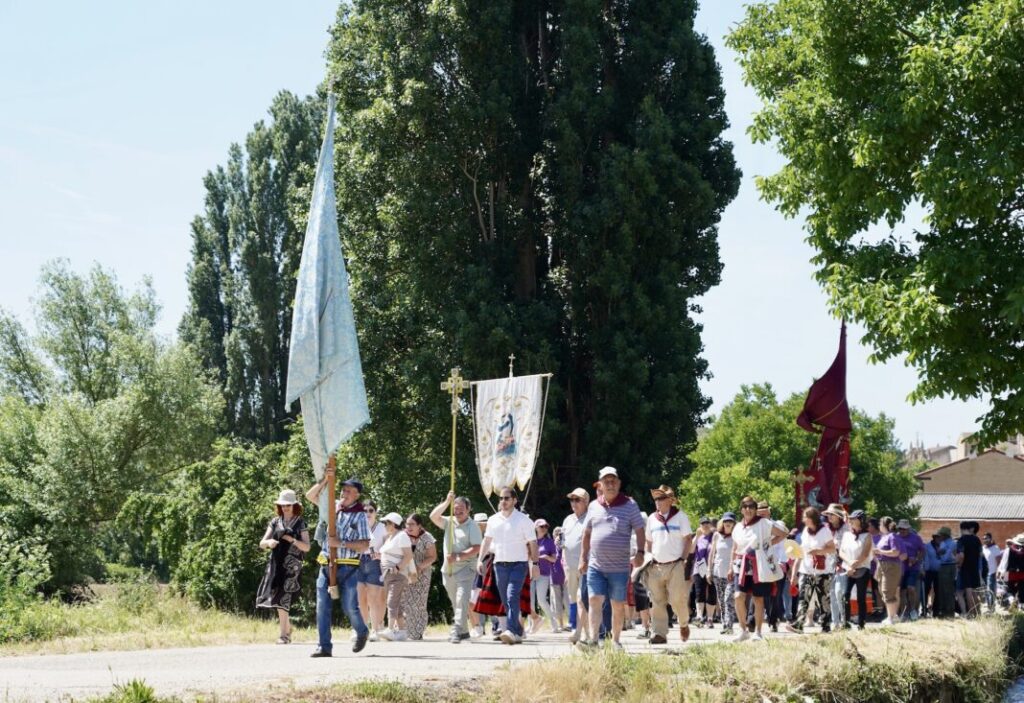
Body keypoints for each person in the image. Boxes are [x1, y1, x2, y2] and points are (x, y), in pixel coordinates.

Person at [579, 467, 646, 650]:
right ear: (600, 485)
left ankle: (615, 641)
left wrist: (640, 552)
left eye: (613, 481)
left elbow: (640, 529)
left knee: (617, 604)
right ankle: (593, 640)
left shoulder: (630, 504)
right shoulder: (593, 505)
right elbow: (586, 533)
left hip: (619, 567)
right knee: (594, 600)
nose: (610, 485)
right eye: (606, 481)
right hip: (596, 565)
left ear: (619, 484)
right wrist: (583, 559)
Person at [305, 470, 371, 657]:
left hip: (348, 566)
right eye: (343, 490)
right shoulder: (333, 507)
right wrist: (326, 480)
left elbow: (364, 544)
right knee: (322, 606)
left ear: (357, 494)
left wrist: (340, 543)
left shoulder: (360, 516)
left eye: (349, 491)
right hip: (326, 564)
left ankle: (362, 631)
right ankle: (324, 646)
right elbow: (311, 496)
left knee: (349, 606)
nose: (344, 493)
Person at [477, 486, 539, 645]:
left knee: (512, 597)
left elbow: (533, 543)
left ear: (514, 501)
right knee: (505, 600)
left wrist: (535, 564)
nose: (503, 501)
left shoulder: (524, 520)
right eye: (501, 498)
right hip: (499, 565)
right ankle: (518, 631)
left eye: (506, 498)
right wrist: (480, 559)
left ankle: (511, 631)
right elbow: (487, 540)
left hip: (519, 564)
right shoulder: (493, 520)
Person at [256, 490, 311, 644]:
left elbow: (307, 547)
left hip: (293, 566)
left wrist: (292, 540)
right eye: (282, 505)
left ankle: (284, 635)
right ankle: (287, 627)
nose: (285, 508)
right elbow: (262, 543)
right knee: (276, 596)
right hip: (276, 564)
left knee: (284, 597)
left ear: (294, 505)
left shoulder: (301, 523)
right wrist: (269, 543)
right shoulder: (275, 522)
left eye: (288, 505)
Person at [731, 495, 787, 642]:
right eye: (745, 507)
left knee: (758, 598)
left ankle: (758, 631)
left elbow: (783, 533)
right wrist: (730, 566)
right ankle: (743, 630)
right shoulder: (738, 527)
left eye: (751, 507)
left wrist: (768, 545)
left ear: (755, 510)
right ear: (741, 510)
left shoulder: (764, 523)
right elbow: (735, 546)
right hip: (741, 564)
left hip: (759, 564)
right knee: (738, 597)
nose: (748, 509)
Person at [429, 491, 482, 643]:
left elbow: (477, 547)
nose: (457, 512)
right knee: (456, 602)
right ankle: (464, 632)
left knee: (461, 599)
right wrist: (447, 502)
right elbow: (433, 517)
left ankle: (456, 630)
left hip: (466, 568)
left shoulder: (473, 526)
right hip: (448, 570)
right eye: (455, 508)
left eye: (461, 509)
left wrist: (458, 557)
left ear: (468, 509)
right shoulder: (449, 521)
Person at [785, 507, 834, 634]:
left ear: (811, 518)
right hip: (806, 570)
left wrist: (818, 551)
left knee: (823, 599)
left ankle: (826, 626)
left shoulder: (825, 531)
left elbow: (832, 549)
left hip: (822, 571)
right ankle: (799, 624)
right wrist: (794, 573)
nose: (803, 520)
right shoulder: (805, 531)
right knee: (803, 598)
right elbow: (801, 552)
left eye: (805, 517)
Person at [399, 513, 437, 640]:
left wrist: (420, 567)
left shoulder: (427, 537)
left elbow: (433, 556)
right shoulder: (402, 536)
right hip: (405, 573)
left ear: (419, 526)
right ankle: (403, 631)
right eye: (407, 524)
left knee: (419, 603)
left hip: (422, 574)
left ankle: (417, 632)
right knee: (403, 602)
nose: (409, 526)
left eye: (412, 524)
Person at [378, 512, 414, 641]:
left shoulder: (402, 536)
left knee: (391, 602)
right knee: (396, 603)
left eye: (386, 523)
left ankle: (390, 629)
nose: (384, 525)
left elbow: (408, 555)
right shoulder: (390, 537)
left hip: (397, 575)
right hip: (388, 575)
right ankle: (402, 631)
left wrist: (398, 567)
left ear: (393, 524)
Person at [562, 487, 590, 644]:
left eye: (577, 499)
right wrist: (560, 543)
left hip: (586, 566)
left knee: (582, 599)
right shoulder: (567, 519)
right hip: (570, 567)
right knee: (575, 599)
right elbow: (565, 541)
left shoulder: (590, 519)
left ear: (586, 502)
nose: (573, 503)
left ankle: (578, 632)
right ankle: (585, 633)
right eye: (571, 500)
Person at [357, 500, 386, 640]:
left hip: (375, 562)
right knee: (360, 598)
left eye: (371, 510)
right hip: (358, 562)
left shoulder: (382, 527)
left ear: (375, 512)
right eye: (365, 510)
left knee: (372, 598)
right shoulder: (357, 526)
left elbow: (389, 545)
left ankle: (375, 630)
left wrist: (382, 554)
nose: (368, 513)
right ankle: (362, 630)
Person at [840, 510, 873, 630]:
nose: (852, 520)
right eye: (851, 518)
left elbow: (865, 554)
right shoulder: (846, 535)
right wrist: (849, 565)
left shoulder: (867, 536)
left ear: (861, 521)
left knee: (860, 597)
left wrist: (854, 565)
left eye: (855, 518)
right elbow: (841, 552)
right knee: (845, 595)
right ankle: (846, 622)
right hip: (848, 568)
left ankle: (861, 623)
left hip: (862, 569)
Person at [874, 516, 906, 625]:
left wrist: (880, 551)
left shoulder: (892, 537)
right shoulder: (884, 537)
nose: (879, 526)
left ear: (884, 525)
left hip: (891, 566)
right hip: (882, 565)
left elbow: (895, 552)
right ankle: (892, 616)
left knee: (888, 592)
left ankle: (891, 618)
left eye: (880, 524)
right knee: (882, 591)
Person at [530, 519, 559, 633]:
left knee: (541, 600)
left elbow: (554, 558)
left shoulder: (549, 542)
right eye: (541, 526)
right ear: (536, 528)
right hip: (531, 573)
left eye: (546, 527)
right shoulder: (531, 540)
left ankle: (553, 623)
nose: (544, 528)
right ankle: (532, 624)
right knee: (530, 601)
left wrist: (545, 557)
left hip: (544, 573)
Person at [821, 503, 849, 627]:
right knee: (831, 593)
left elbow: (847, 546)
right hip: (829, 564)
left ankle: (844, 620)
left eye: (832, 514)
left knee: (840, 592)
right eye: (828, 514)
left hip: (844, 563)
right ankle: (835, 621)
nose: (829, 517)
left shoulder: (846, 528)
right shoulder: (826, 529)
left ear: (838, 516)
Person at [709, 513, 737, 635]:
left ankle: (729, 625)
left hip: (731, 574)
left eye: (730, 521)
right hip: (717, 572)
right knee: (721, 600)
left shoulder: (737, 536)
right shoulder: (716, 535)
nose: (728, 523)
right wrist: (709, 571)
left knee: (728, 599)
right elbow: (712, 554)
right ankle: (724, 624)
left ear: (734, 523)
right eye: (726, 521)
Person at [895, 519, 924, 621]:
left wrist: (917, 559)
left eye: (904, 529)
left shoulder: (916, 538)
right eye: (900, 528)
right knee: (901, 591)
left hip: (913, 568)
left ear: (908, 529)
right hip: (899, 568)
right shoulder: (896, 537)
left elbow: (922, 550)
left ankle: (913, 610)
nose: (902, 530)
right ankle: (903, 612)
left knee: (911, 588)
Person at [468, 512, 490, 637]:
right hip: (474, 570)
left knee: (491, 598)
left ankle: (497, 626)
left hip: (489, 568)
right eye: (479, 524)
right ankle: (477, 626)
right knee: (471, 600)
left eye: (483, 524)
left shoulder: (490, 535)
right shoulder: (471, 535)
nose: (481, 526)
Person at [693, 517, 718, 628]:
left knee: (712, 593)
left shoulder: (715, 537)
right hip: (699, 567)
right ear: (700, 526)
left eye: (707, 523)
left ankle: (710, 618)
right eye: (703, 524)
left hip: (712, 567)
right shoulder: (698, 537)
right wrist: (697, 536)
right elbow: (691, 550)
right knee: (699, 592)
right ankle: (699, 616)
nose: (705, 526)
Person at [955, 520, 983, 618]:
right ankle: (978, 613)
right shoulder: (977, 539)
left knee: (968, 591)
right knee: (975, 592)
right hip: (975, 568)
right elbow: (980, 554)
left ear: (961, 529)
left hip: (965, 568)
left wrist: (959, 564)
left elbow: (961, 555)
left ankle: (970, 614)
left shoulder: (961, 540)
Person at [934, 526, 958, 618]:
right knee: (942, 589)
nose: (940, 536)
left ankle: (949, 611)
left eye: (941, 534)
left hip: (949, 566)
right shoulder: (944, 543)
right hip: (944, 566)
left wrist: (941, 553)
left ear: (945, 535)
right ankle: (944, 610)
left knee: (948, 590)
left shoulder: (952, 543)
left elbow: (950, 555)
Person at [997, 533, 1024, 609]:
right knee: (1022, 591)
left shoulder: (1009, 550)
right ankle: (1021, 606)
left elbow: (1004, 563)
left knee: (1009, 590)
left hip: (1009, 574)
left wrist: (1001, 573)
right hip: (1022, 575)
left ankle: (1012, 603)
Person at [982, 532, 1003, 614]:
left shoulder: (995, 548)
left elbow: (999, 561)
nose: (985, 540)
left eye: (986, 538)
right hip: (984, 573)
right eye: (983, 538)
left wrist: (998, 571)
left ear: (991, 539)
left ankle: (991, 608)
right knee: (985, 591)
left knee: (991, 590)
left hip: (992, 573)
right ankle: (989, 607)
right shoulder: (983, 548)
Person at [922, 532, 942, 617]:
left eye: (940, 538)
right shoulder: (927, 546)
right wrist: (925, 569)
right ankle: (924, 609)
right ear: (934, 538)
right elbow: (925, 558)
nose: (939, 539)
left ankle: (935, 610)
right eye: (938, 538)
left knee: (938, 591)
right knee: (926, 590)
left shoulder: (942, 546)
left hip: (939, 572)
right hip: (929, 571)